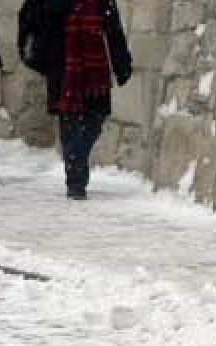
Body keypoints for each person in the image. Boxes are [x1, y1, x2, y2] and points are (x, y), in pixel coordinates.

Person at [18, 0, 131, 200]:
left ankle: (76, 160)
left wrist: (122, 63)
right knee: (70, 123)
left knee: (96, 120)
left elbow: (113, 27)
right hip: (63, 66)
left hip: (95, 70)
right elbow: (30, 15)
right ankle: (76, 182)